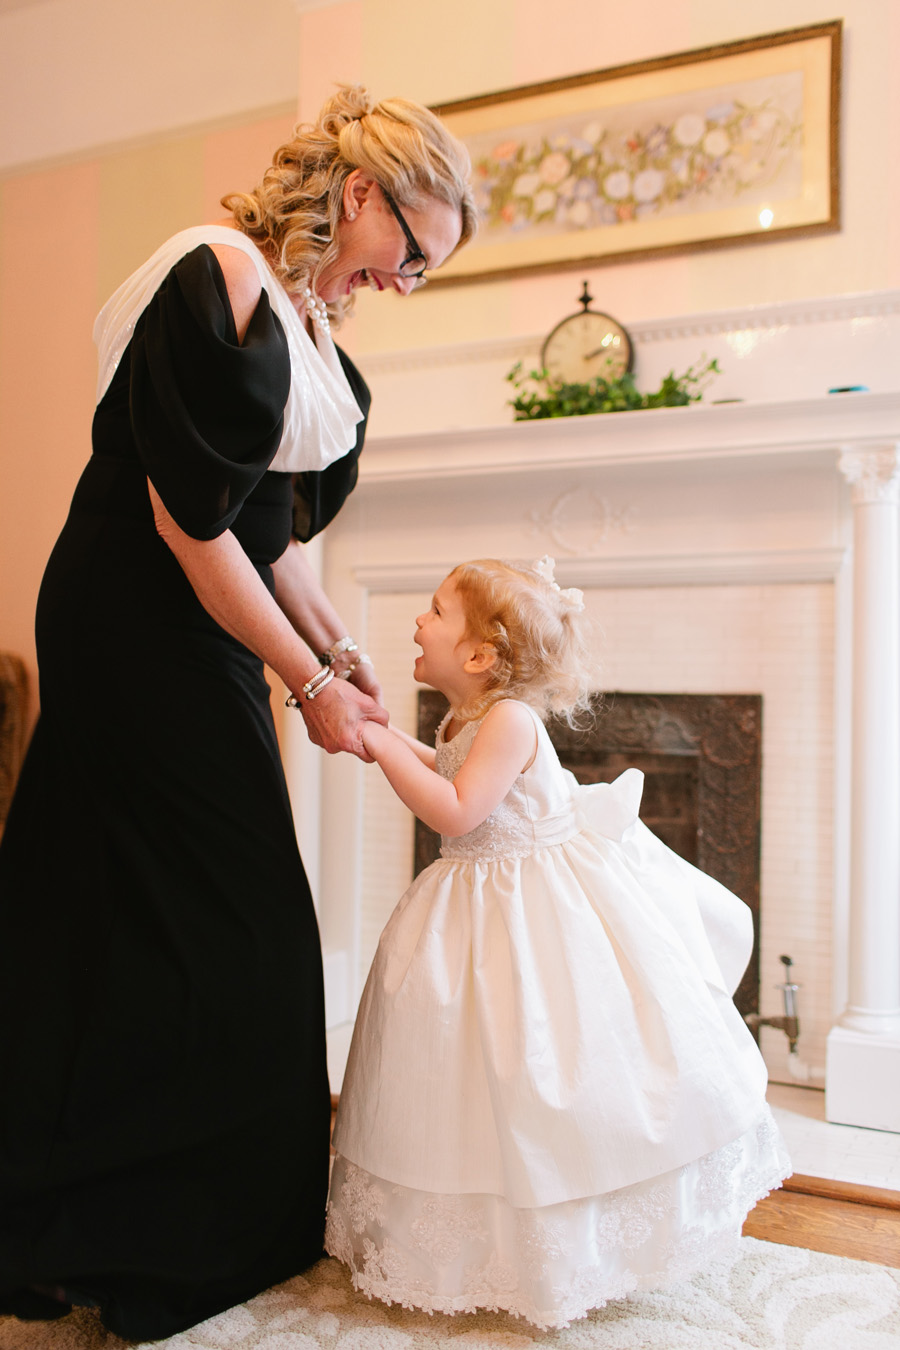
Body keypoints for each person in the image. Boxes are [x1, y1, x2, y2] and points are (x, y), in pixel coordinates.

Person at [0, 85, 476, 1342]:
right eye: (412, 252)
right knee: (230, 914)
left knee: (114, 905)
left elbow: (277, 545)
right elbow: (186, 519)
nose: (411, 281)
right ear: (361, 196)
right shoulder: (218, 277)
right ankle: (164, 1239)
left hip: (211, 618)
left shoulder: (319, 336)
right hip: (132, 616)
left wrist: (339, 654)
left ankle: (89, 1211)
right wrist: (305, 687)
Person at [326, 556, 791, 1330]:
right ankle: (472, 1243)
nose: (418, 621)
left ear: (478, 654)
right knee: (463, 1076)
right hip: (473, 902)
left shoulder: (511, 720)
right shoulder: (461, 718)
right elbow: (435, 763)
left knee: (540, 1070)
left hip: (526, 909)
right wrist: (381, 735)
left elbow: (455, 811)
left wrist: (377, 750)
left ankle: (567, 1239)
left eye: (436, 611)